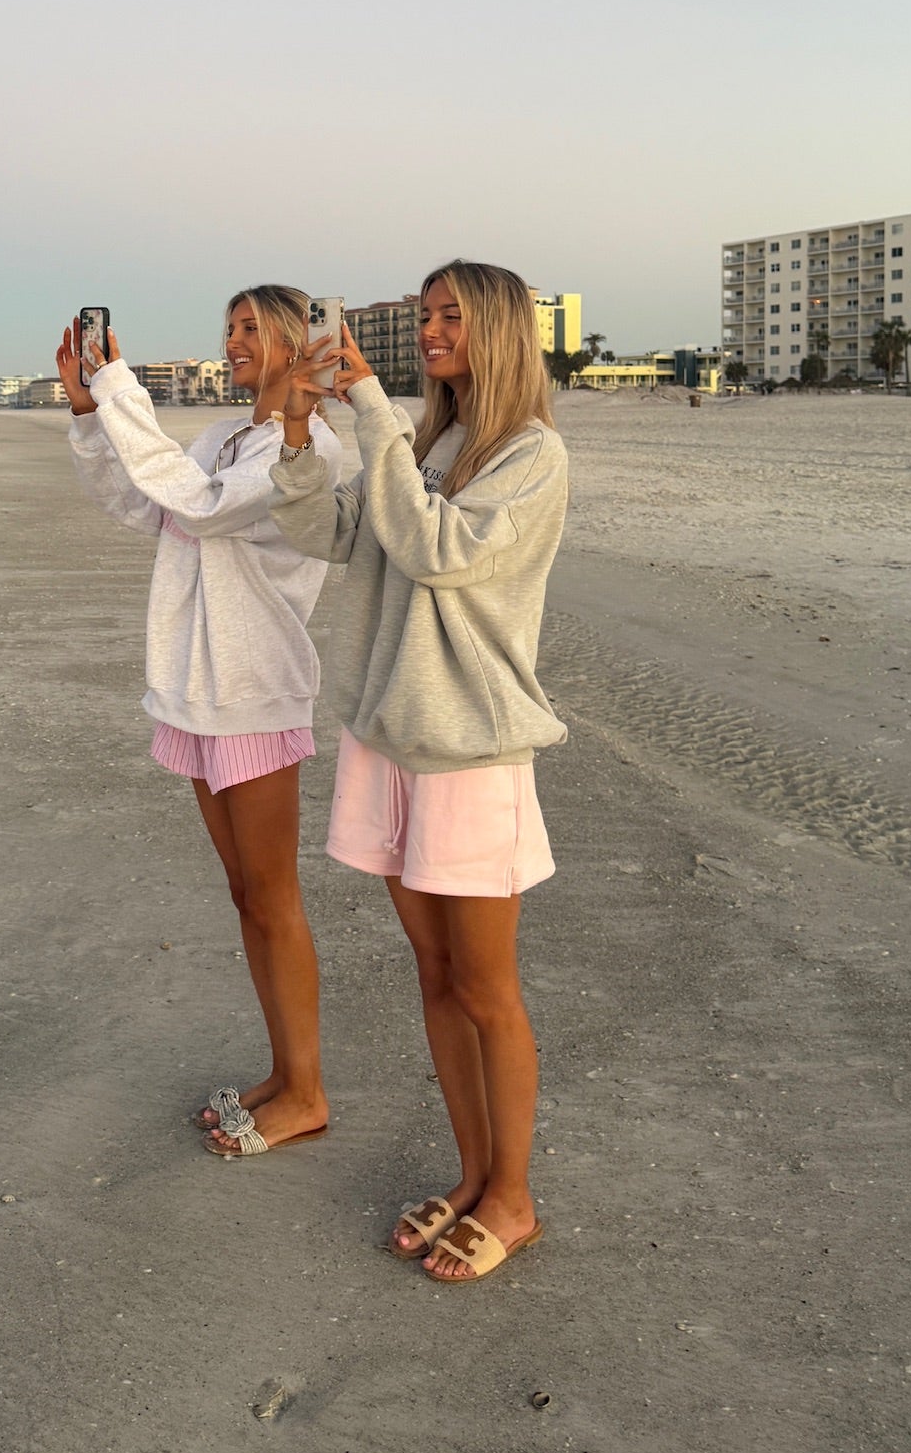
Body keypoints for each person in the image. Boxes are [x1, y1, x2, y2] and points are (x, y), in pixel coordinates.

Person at [269, 260, 568, 1281]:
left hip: (469, 753)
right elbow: (338, 530)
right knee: (433, 973)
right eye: (425, 315)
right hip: (391, 735)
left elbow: (438, 550)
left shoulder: (532, 455)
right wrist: (304, 435)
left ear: (497, 330)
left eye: (451, 316)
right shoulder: (427, 439)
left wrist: (363, 406)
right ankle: (477, 1170)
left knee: (487, 984)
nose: (431, 330)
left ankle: (515, 1197)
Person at [56, 289, 343, 1157]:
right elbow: (152, 503)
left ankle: (308, 1090)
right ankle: (284, 1073)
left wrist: (121, 391)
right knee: (245, 893)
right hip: (196, 685)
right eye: (230, 328)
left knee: (274, 896)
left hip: (253, 688)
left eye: (251, 329)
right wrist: (87, 414)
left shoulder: (310, 450)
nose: (233, 343)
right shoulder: (225, 438)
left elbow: (207, 507)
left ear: (299, 346)